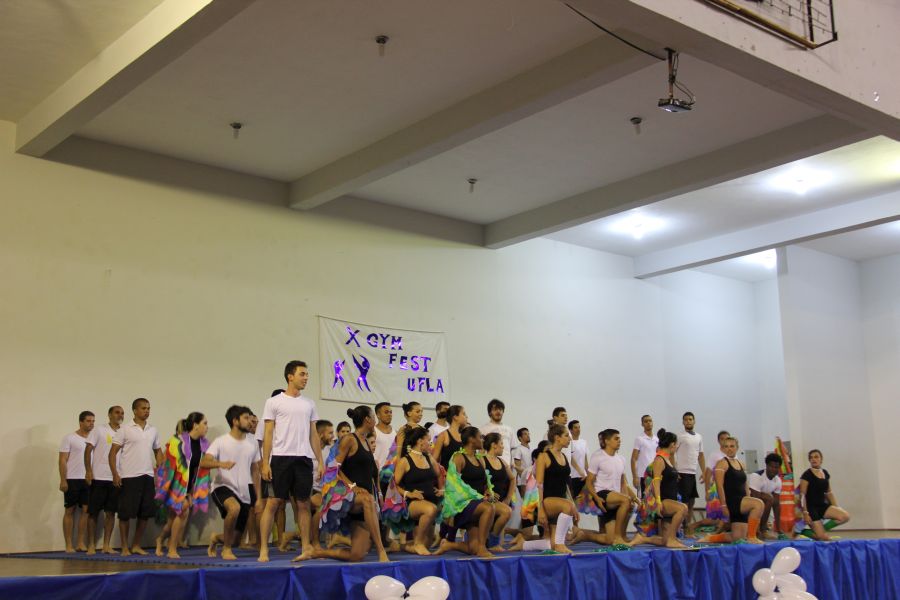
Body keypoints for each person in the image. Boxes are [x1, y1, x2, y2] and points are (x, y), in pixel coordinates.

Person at [299, 406, 389, 562]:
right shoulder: (350, 439)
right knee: (368, 499)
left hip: (364, 502)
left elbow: (372, 474)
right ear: (367, 420)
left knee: (357, 555)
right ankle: (381, 551)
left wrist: (379, 493)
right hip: (349, 497)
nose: (375, 420)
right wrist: (352, 486)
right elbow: (334, 467)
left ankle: (318, 553)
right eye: (374, 417)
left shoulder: (367, 442)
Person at [258, 361, 325, 562]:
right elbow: (268, 434)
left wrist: (320, 461)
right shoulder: (274, 402)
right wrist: (265, 462)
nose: (306, 378)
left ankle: (306, 547)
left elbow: (313, 434)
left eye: (307, 374)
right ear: (290, 376)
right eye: (302, 374)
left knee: (303, 504)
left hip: (303, 459)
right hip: (280, 458)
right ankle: (263, 549)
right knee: (273, 503)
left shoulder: (309, 404)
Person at [204, 405, 262, 560]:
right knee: (234, 508)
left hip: (244, 491)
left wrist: (258, 498)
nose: (250, 421)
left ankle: (217, 538)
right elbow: (204, 462)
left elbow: (255, 471)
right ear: (235, 421)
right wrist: (220, 464)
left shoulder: (253, 443)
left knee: (236, 540)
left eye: (250, 418)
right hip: (222, 486)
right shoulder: (221, 441)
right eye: (246, 418)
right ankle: (226, 549)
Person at [109, 398, 163, 556]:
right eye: (143, 408)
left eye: (148, 408)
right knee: (125, 513)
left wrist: (160, 471)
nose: (147, 411)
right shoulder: (125, 429)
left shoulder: (153, 430)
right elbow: (112, 453)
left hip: (147, 475)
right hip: (129, 476)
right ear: (135, 410)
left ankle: (136, 545)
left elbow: (158, 451)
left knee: (145, 513)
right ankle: (124, 547)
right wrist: (115, 474)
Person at [155, 412, 211, 558]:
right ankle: (172, 549)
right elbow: (168, 465)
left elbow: (200, 469)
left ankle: (161, 539)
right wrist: (166, 487)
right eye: (205, 423)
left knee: (172, 521)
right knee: (182, 511)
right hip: (176, 485)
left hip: (189, 485)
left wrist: (194, 490)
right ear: (195, 425)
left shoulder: (203, 444)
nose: (207, 427)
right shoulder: (177, 442)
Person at [434, 426, 495, 558]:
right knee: (489, 508)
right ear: (471, 439)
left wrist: (488, 492)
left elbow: (486, 482)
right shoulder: (458, 458)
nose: (482, 440)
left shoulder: (480, 459)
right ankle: (483, 547)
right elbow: (454, 485)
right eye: (480, 437)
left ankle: (449, 545)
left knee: (473, 548)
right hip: (463, 506)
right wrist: (478, 497)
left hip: (477, 505)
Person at [278, 419, 335, 551]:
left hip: (322, 489)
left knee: (322, 510)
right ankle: (315, 542)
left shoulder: (329, 450)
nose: (333, 436)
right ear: (320, 434)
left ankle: (291, 535)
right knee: (322, 508)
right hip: (307, 489)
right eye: (330, 433)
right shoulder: (307, 450)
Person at [697, 437, 764, 544]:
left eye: (732, 446)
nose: (729, 449)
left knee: (737, 537)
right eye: (726, 446)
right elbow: (719, 486)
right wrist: (723, 505)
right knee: (758, 504)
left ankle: (710, 538)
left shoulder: (741, 464)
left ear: (737, 447)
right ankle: (752, 537)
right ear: (723, 449)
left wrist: (748, 498)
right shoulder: (721, 464)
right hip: (733, 502)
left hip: (743, 502)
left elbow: (745, 485)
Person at [582, 429, 640, 546]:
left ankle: (584, 535)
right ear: (607, 441)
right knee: (626, 500)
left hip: (615, 497)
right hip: (601, 494)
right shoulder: (598, 457)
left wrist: (636, 498)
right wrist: (596, 498)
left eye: (619, 438)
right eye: (616, 438)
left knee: (609, 540)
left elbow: (624, 484)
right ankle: (618, 537)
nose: (619, 441)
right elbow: (589, 482)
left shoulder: (621, 459)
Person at [392, 427, 443, 555]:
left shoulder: (429, 458)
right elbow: (394, 484)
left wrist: (441, 489)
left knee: (428, 544)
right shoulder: (405, 461)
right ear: (420, 441)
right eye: (428, 441)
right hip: (413, 504)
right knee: (431, 509)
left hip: (431, 501)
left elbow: (439, 474)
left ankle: (404, 547)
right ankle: (417, 543)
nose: (431, 444)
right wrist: (408, 493)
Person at [84, 405, 124, 555]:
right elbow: (88, 450)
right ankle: (91, 545)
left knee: (111, 512)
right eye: (117, 412)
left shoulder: (124, 432)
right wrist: (88, 471)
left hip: (116, 478)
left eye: (122, 413)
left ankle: (106, 545)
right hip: (99, 477)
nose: (120, 415)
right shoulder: (99, 430)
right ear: (109, 415)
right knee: (93, 513)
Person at [534, 424, 579, 554]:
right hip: (547, 502)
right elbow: (539, 484)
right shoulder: (543, 456)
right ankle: (560, 545)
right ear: (557, 437)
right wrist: (541, 509)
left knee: (551, 544)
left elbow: (566, 485)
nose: (569, 438)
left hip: (561, 503)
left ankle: (523, 544)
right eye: (566, 435)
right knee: (558, 544)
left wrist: (573, 505)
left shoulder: (564, 457)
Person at [59, 411, 95, 553]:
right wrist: (63, 479)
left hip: (88, 479)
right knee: (70, 510)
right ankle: (69, 544)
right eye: (88, 421)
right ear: (81, 422)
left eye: (93, 421)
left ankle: (80, 542)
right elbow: (62, 460)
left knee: (86, 511)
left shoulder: (93, 439)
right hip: (72, 478)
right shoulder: (70, 438)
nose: (91, 424)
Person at [646, 429, 689, 549]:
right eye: (676, 444)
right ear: (672, 444)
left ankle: (641, 539)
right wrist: (658, 501)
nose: (677, 446)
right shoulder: (659, 459)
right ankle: (672, 539)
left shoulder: (668, 459)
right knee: (683, 508)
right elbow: (656, 481)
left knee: (664, 541)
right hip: (664, 500)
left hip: (671, 499)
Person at [797, 449, 850, 541]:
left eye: (816, 457)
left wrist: (836, 507)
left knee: (845, 516)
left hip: (822, 506)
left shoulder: (825, 473)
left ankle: (820, 530)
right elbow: (802, 496)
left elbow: (829, 492)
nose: (813, 459)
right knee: (823, 538)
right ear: (809, 460)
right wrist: (805, 513)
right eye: (811, 458)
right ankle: (803, 531)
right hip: (811, 509)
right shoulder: (806, 475)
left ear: (821, 459)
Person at [675, 412, 706, 534]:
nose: (688, 421)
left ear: (694, 421)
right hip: (682, 472)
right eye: (686, 419)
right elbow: (672, 453)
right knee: (684, 502)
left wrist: (704, 471)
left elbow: (701, 455)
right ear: (683, 422)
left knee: (692, 501)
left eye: (690, 419)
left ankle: (687, 525)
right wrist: (674, 470)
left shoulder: (699, 437)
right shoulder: (680, 436)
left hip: (692, 473)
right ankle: (682, 528)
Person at [748, 452, 783, 540]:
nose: (773, 469)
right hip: (747, 504)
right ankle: (761, 529)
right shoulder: (756, 476)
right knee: (768, 499)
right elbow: (755, 498)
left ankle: (763, 529)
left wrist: (779, 529)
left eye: (776, 467)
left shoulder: (778, 480)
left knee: (772, 500)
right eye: (771, 466)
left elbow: (776, 505)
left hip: (761, 505)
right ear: (766, 466)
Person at [479, 399, 517, 467]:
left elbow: (512, 449)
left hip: (507, 466)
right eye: (495, 409)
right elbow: (481, 450)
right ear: (490, 412)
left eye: (500, 409)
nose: (498, 411)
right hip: (489, 466)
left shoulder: (509, 429)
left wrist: (512, 463)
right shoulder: (483, 429)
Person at [630, 415, 656, 496]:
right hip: (643, 475)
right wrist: (635, 477)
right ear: (642, 424)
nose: (648, 423)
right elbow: (633, 459)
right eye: (646, 421)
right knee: (644, 500)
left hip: (655, 475)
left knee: (654, 500)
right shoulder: (639, 439)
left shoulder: (657, 439)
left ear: (652, 422)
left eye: (650, 421)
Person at [567, 421, 589, 498]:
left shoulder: (584, 442)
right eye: (575, 428)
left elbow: (585, 460)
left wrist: (587, 473)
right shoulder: (568, 443)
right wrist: (580, 471)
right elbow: (570, 458)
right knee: (573, 498)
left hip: (583, 476)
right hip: (573, 476)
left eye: (579, 427)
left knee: (582, 500)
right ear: (570, 430)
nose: (578, 429)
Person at [373, 402, 395, 470]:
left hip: (392, 472)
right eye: (386, 412)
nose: (389, 414)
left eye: (390, 412)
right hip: (377, 472)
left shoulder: (395, 432)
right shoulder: (373, 431)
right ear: (378, 415)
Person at [513, 428, 532, 499]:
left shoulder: (531, 449)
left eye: (528, 433)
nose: (528, 435)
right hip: (523, 482)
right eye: (525, 434)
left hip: (531, 480)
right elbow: (517, 467)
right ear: (520, 438)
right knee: (524, 502)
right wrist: (525, 480)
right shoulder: (518, 449)